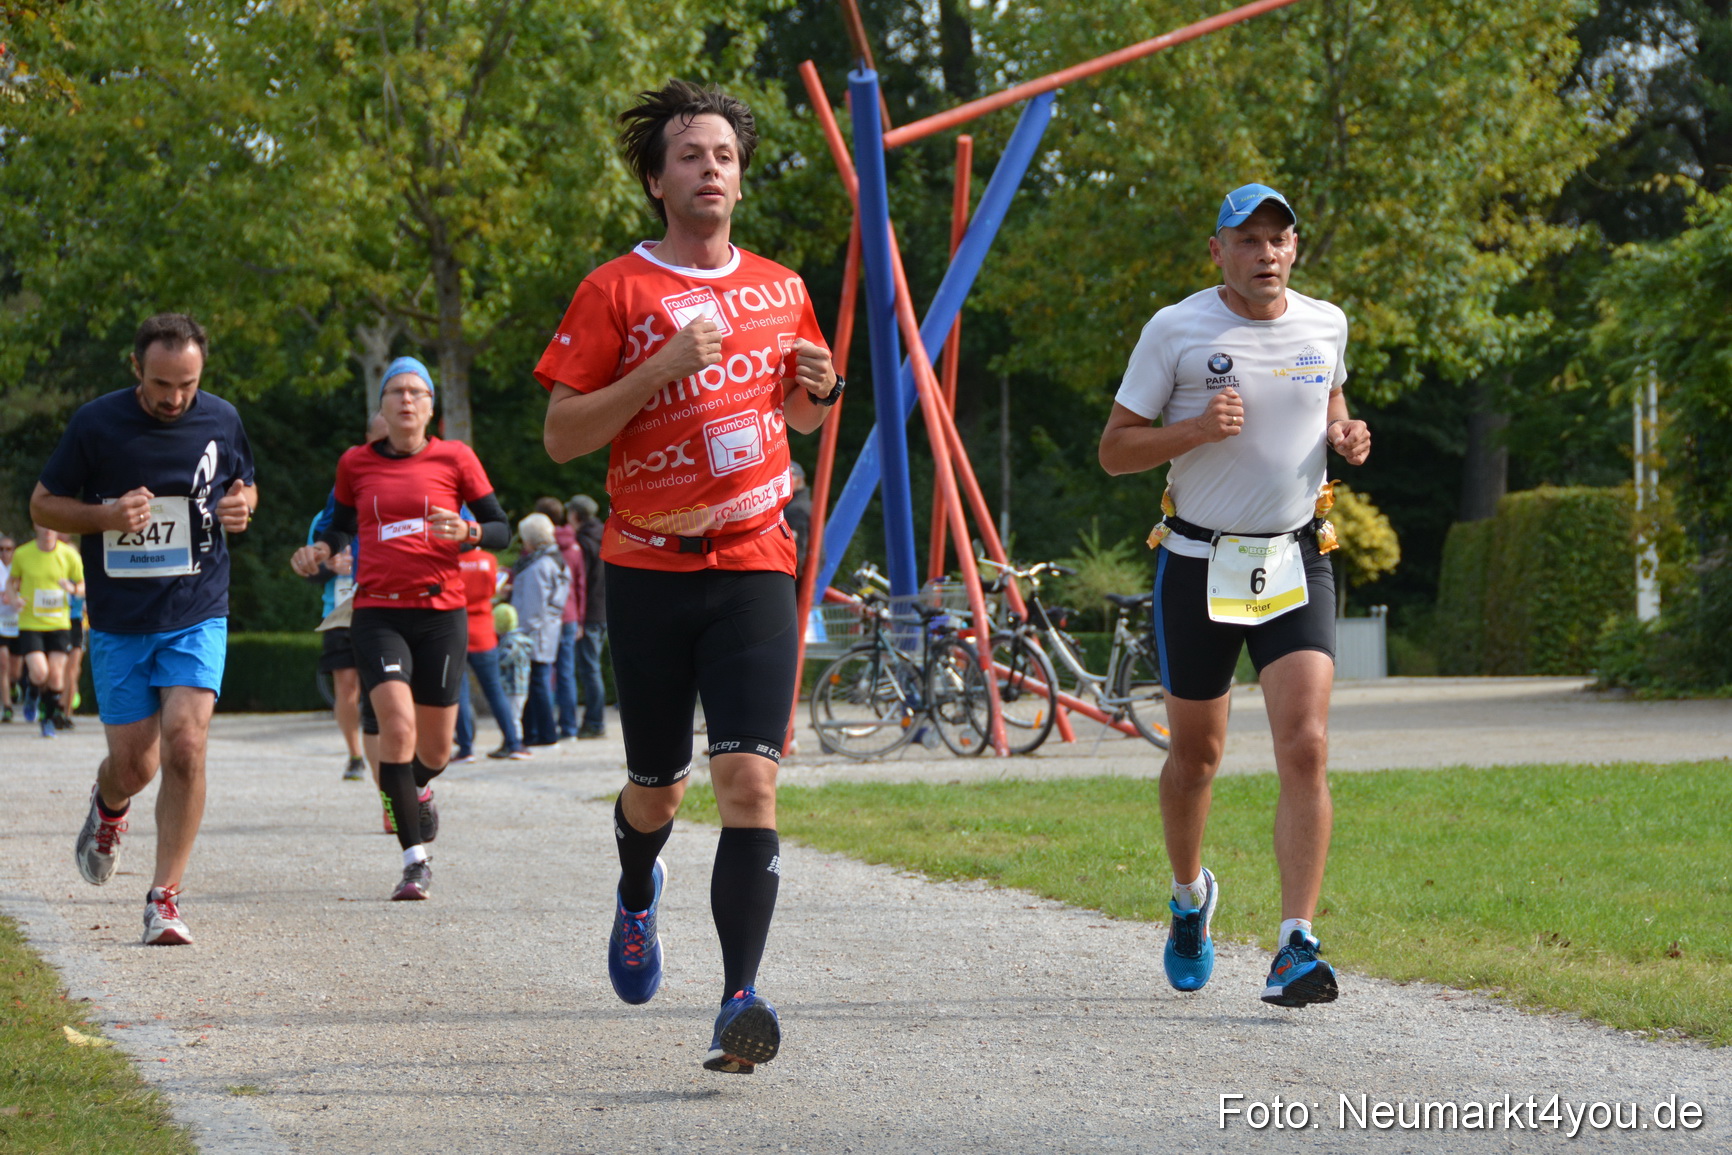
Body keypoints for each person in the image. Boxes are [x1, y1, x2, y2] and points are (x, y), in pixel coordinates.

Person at [538, 80, 839, 1074]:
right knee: (657, 792)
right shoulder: (614, 290)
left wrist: (821, 388)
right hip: (648, 569)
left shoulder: (783, 287)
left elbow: (801, 415)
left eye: (724, 156)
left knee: (749, 782)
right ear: (657, 182)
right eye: (690, 156)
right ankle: (637, 892)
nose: (710, 169)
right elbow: (562, 436)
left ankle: (738, 1000)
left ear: (740, 179)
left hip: (755, 560)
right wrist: (659, 368)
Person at [1098, 184, 1372, 1008]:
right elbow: (1114, 451)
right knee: (1197, 758)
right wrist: (1193, 430)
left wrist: (1344, 431)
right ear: (1217, 251)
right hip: (1198, 563)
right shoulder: (1175, 330)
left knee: (1307, 744)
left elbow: (1329, 399)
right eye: (1247, 240)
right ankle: (1189, 897)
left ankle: (1296, 943)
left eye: (1278, 239)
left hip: (1296, 558)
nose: (1265, 254)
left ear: (1295, 249)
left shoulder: (1326, 323)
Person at [32, 312, 257, 945]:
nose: (175, 398)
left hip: (196, 607)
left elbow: (244, 486)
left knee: (186, 744)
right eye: (162, 384)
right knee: (134, 767)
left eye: (187, 384)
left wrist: (242, 506)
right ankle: (109, 807)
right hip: (121, 620)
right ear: (136, 368)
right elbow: (43, 503)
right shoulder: (96, 423)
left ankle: (164, 898)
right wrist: (106, 517)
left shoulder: (222, 418)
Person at [299, 356, 508, 900]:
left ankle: (418, 789)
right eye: (397, 392)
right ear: (383, 406)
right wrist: (321, 550)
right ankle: (415, 862)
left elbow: (500, 528)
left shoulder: (455, 457)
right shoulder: (355, 463)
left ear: (431, 406)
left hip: (440, 612)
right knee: (395, 726)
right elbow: (340, 527)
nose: (407, 399)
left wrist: (467, 531)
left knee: (434, 751)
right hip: (378, 611)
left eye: (417, 392)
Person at [295, 413, 390, 783]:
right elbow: (310, 568)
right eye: (379, 439)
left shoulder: (397, 502)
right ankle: (354, 755)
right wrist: (330, 566)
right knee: (346, 688)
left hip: (385, 607)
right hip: (340, 611)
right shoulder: (328, 514)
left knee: (385, 689)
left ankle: (393, 757)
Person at [3, 523, 85, 738]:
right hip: (31, 624)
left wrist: (73, 588)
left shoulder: (69, 555)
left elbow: (83, 585)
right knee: (40, 672)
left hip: (60, 625)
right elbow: (11, 582)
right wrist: (14, 598)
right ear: (36, 527)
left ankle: (47, 719)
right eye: (44, 526)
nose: (48, 531)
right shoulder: (23, 554)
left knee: (56, 677)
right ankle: (32, 690)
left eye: (52, 526)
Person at [452, 542, 530, 761]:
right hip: (484, 631)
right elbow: (493, 591)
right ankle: (514, 742)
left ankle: (466, 748)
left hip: (457, 629)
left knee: (459, 693)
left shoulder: (451, 561)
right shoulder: (488, 560)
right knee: (495, 690)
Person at [508, 512, 569, 749]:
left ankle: (542, 733)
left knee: (536, 683)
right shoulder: (555, 559)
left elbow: (533, 607)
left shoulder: (538, 566)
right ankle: (543, 733)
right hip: (548, 630)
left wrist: (519, 634)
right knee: (540, 681)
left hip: (535, 633)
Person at [545, 496, 589, 742]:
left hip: (547, 615)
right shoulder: (574, 546)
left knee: (544, 672)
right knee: (566, 672)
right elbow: (581, 584)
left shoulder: (538, 543)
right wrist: (581, 619)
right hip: (570, 615)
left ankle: (547, 727)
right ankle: (570, 727)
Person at [566, 494, 607, 738]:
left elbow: (580, 583)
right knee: (594, 668)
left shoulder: (582, 542)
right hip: (605, 610)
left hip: (589, 612)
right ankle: (595, 721)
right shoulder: (605, 534)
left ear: (575, 514)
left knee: (589, 669)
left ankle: (594, 723)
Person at [1, 533, 20, 723]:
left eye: (8, 549)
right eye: (1, 549)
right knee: (3, 663)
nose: (5, 553)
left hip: (18, 622)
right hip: (1, 623)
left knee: (16, 670)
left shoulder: (20, 567)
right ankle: (7, 706)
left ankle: (14, 685)